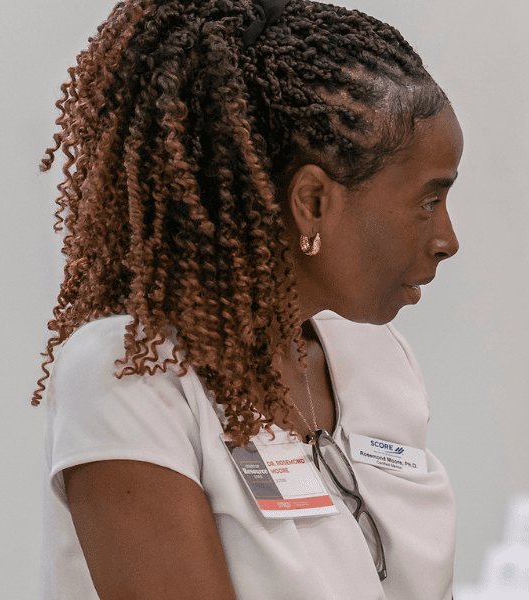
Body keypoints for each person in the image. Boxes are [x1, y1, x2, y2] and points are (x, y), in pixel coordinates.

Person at [34, 1, 462, 598]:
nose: (448, 240)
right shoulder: (133, 378)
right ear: (312, 201)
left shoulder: (378, 358)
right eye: (428, 200)